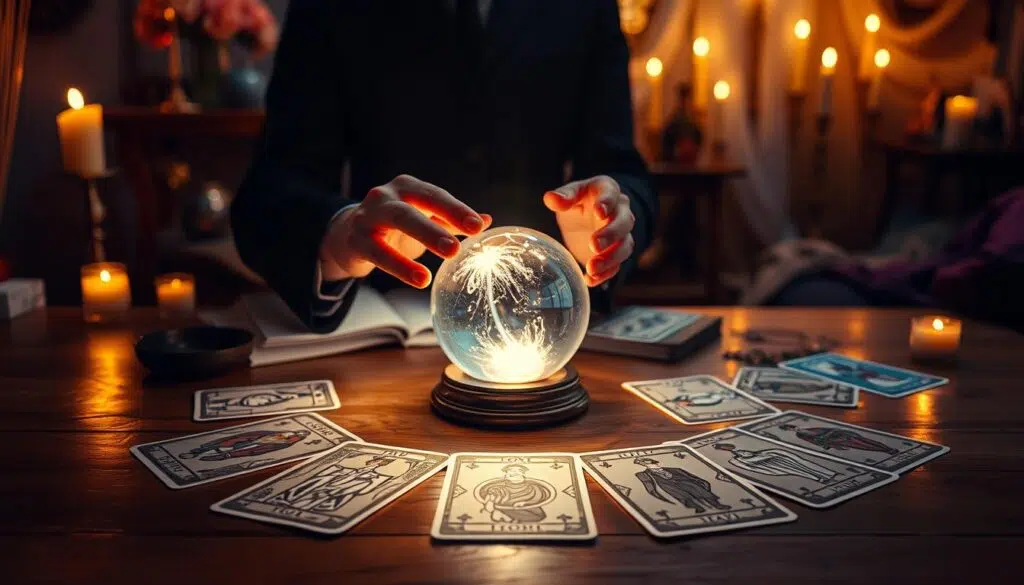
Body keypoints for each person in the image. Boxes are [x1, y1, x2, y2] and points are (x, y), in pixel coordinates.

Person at [231, 1, 657, 332]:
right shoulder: (331, 7)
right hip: (385, 321)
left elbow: (622, 170)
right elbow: (269, 192)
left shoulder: (587, 7)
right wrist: (340, 236)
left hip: (543, 310)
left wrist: (604, 231)